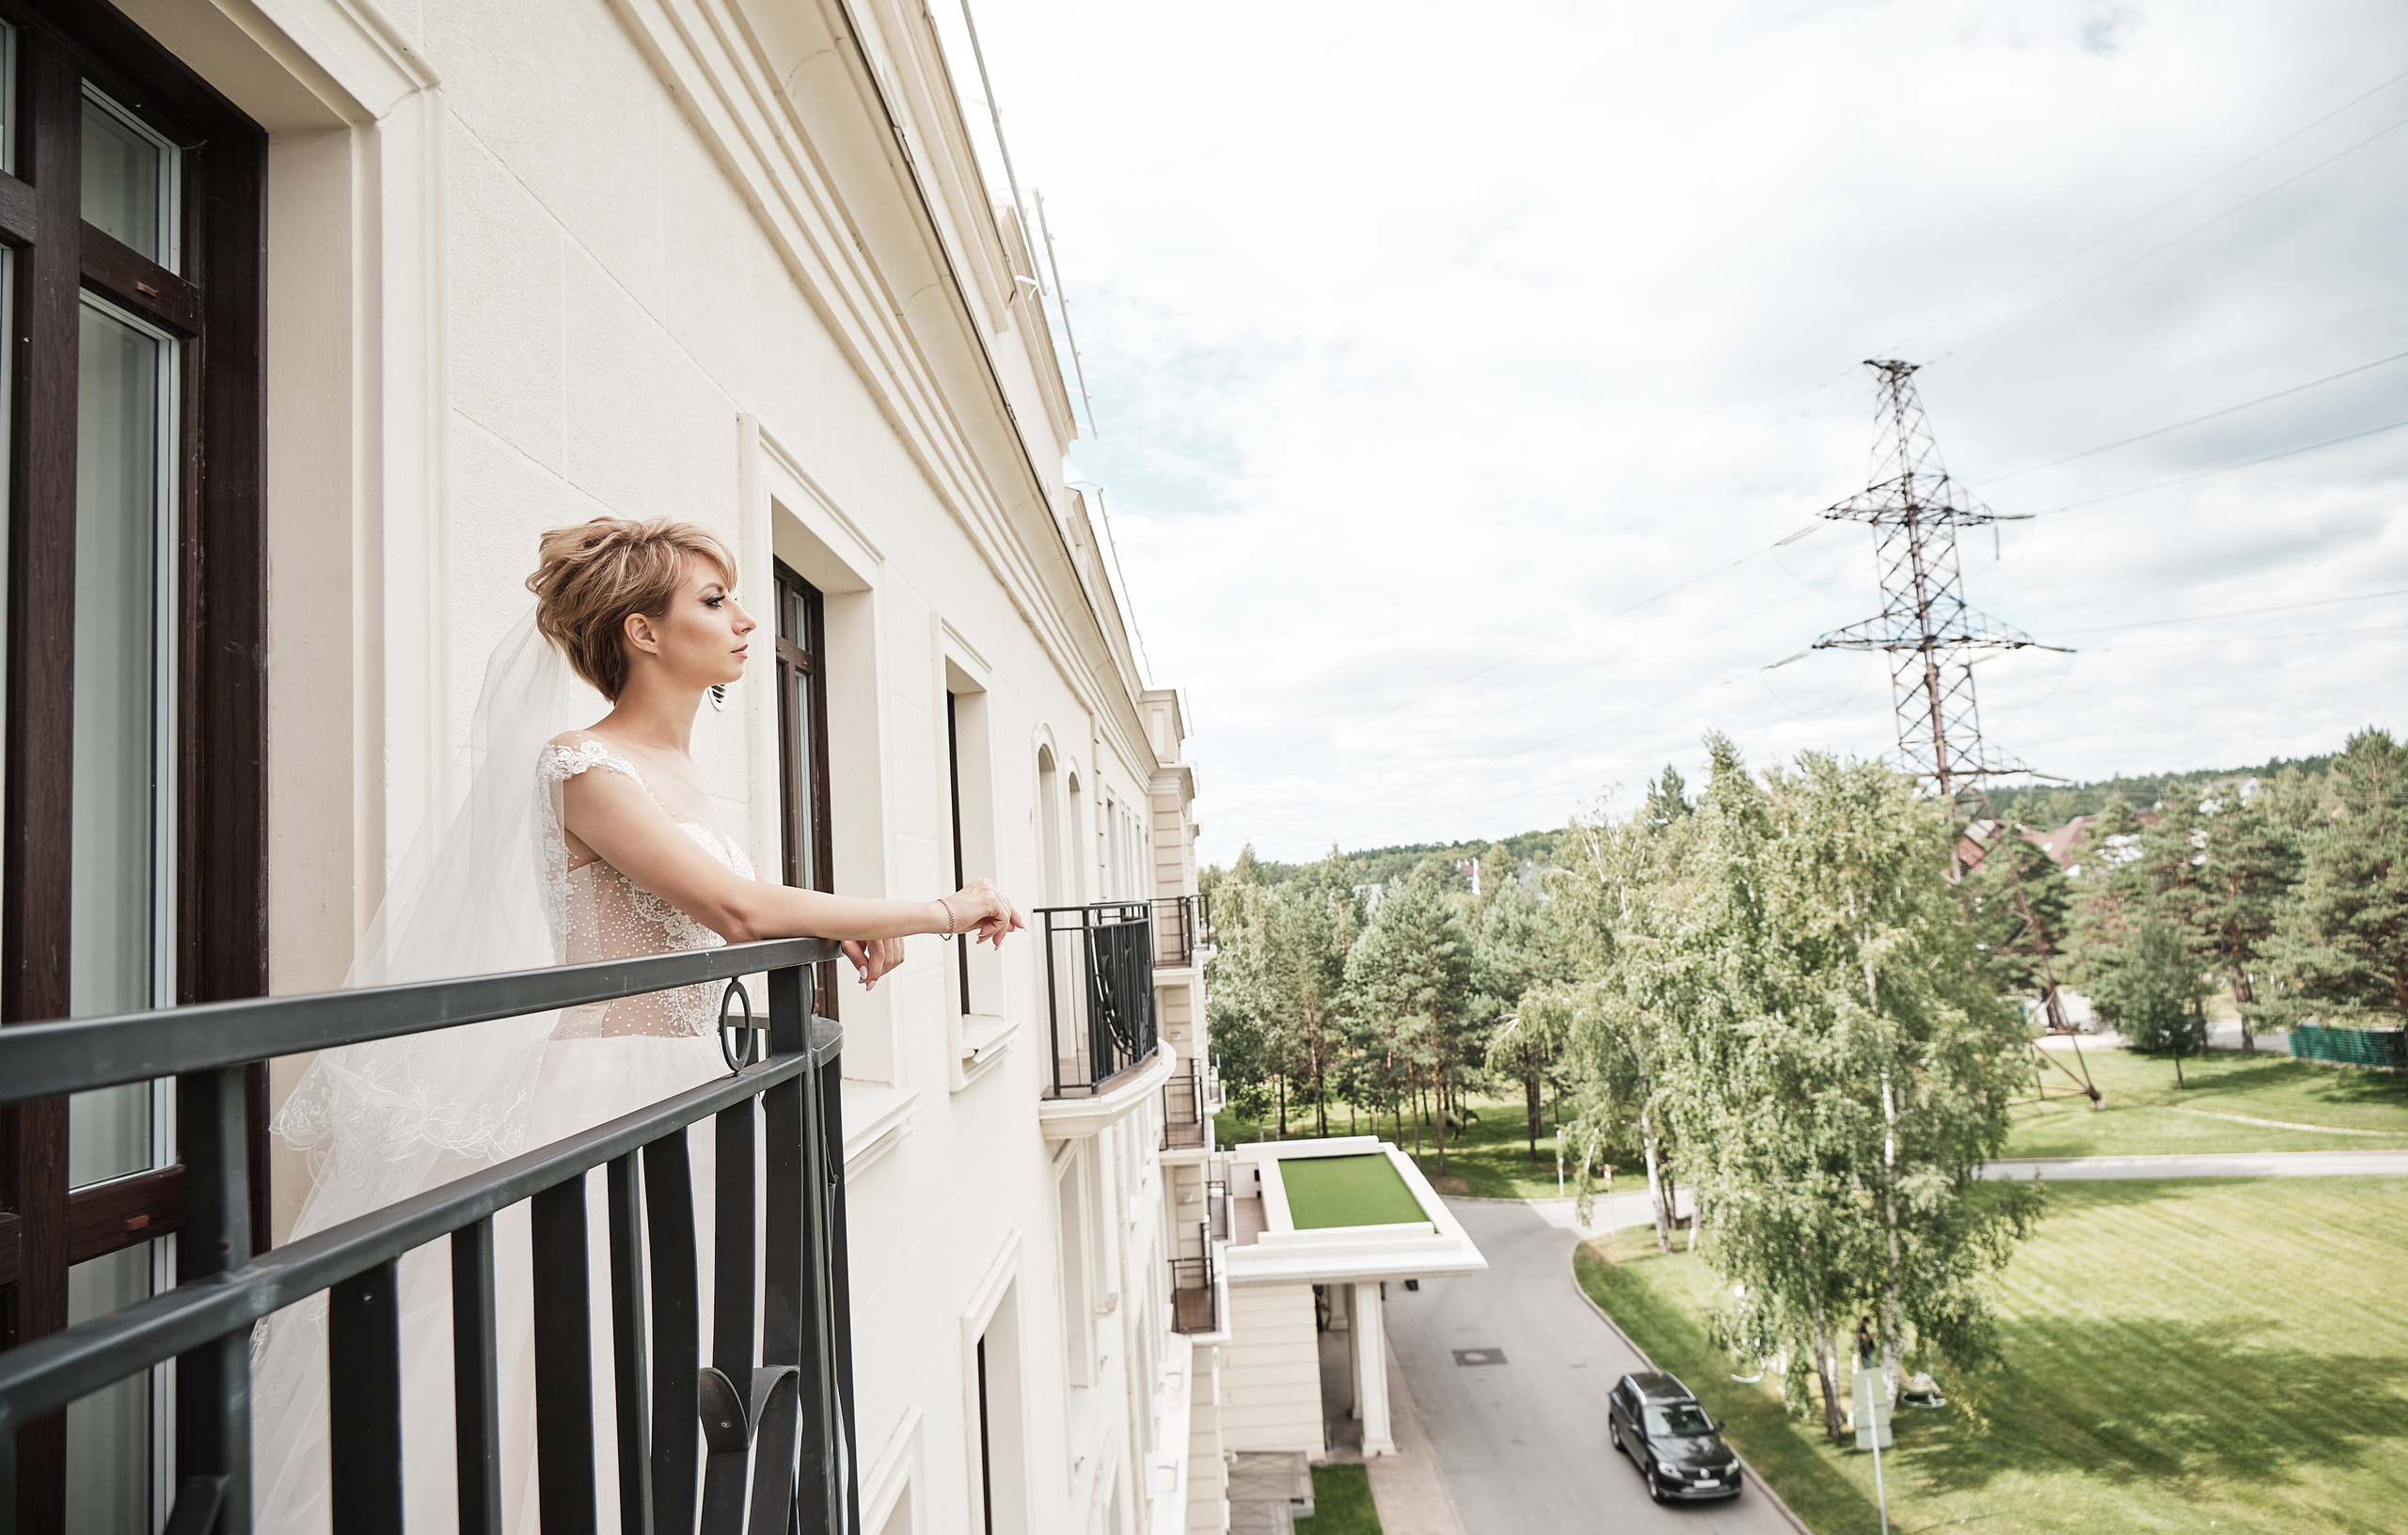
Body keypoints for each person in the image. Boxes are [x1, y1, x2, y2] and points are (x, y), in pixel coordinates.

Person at [253, 517, 1022, 1531]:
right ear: (643, 633)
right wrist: (937, 911)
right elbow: (738, 911)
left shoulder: (681, 775)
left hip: (689, 1092)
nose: (747, 619)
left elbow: (738, 910)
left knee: (663, 1380)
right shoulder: (582, 767)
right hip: (604, 1096)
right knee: (568, 1384)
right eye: (714, 600)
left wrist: (837, 932)